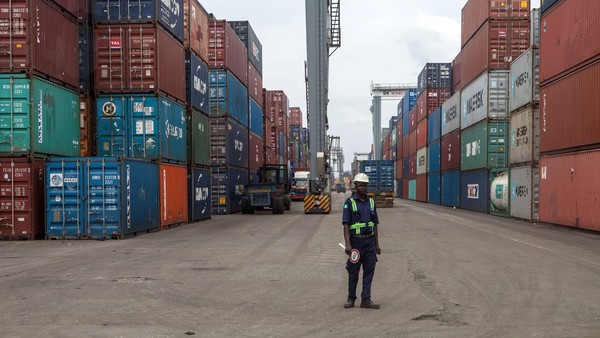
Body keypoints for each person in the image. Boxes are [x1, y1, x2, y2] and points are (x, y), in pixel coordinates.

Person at [342, 173, 381, 309]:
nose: (363, 188)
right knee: (353, 271)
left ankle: (366, 299)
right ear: (355, 186)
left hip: (369, 243)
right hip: (356, 243)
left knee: (369, 271)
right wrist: (348, 244)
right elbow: (346, 225)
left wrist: (377, 244)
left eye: (365, 185)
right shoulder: (349, 203)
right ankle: (351, 298)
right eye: (360, 185)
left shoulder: (371, 202)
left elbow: (375, 224)